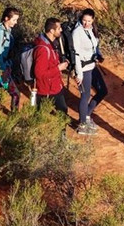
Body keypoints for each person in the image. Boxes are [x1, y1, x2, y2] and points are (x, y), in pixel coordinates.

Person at [71, 8, 107, 136]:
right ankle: (82, 124)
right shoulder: (77, 32)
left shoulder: (92, 30)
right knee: (85, 96)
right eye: (84, 20)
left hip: (92, 66)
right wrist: (78, 74)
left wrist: (99, 55)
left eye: (89, 21)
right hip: (83, 68)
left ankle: (86, 114)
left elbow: (94, 46)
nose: (86, 23)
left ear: (93, 20)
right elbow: (76, 53)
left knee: (103, 90)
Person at [32, 18, 69, 114]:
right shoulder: (43, 49)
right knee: (59, 114)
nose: (61, 30)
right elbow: (39, 74)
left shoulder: (51, 44)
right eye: (59, 28)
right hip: (47, 89)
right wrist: (59, 68)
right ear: (52, 31)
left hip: (54, 85)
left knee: (62, 112)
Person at [0, 7, 21, 111]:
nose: (16, 22)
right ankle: (13, 118)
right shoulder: (0, 32)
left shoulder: (7, 31)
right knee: (15, 94)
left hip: (0, 69)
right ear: (6, 18)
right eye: (14, 20)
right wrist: (2, 72)